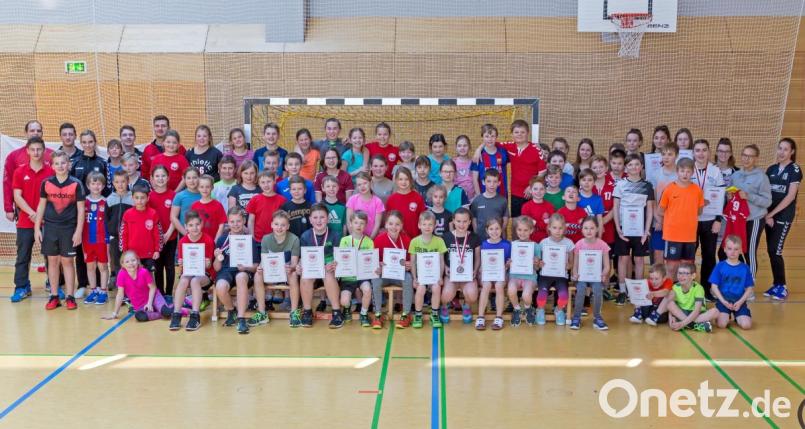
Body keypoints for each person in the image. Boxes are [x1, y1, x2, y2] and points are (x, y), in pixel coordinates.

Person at [35, 150, 85, 311]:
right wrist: (37, 228)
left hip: (69, 229)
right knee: (52, 262)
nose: (60, 166)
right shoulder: (46, 183)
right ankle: (54, 296)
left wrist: (78, 231)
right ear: (52, 165)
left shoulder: (76, 183)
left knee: (68, 262)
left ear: (69, 164)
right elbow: (41, 206)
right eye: (57, 163)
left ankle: (70, 296)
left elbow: (81, 210)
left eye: (63, 163)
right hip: (50, 228)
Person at [10, 136, 54, 302]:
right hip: (25, 222)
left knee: (51, 256)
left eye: (39, 149)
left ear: (44, 151)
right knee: (22, 256)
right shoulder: (19, 171)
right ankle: (21, 287)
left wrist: (41, 216)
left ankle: (53, 285)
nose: (36, 152)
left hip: (47, 222)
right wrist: (33, 214)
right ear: (27, 151)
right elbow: (17, 197)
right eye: (33, 149)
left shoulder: (51, 172)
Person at [612, 154, 654, 304]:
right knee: (623, 258)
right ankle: (623, 291)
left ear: (641, 167)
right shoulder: (620, 185)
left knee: (639, 259)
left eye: (637, 164)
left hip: (640, 230)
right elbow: (615, 208)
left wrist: (646, 230)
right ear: (626, 167)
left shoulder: (647, 186)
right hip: (624, 228)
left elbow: (650, 209)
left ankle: (638, 291)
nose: (634, 167)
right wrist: (618, 228)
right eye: (630, 165)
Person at [764, 138, 800, 300]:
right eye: (780, 148)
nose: (781, 152)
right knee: (771, 250)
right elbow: (764, 194)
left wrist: (771, 215)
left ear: (792, 152)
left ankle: (782, 286)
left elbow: (790, 196)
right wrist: (766, 213)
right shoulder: (771, 169)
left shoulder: (795, 170)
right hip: (769, 216)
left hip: (783, 216)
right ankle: (776, 284)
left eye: (785, 149)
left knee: (775, 250)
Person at [213, 208, 261, 334]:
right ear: (228, 222)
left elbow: (256, 266)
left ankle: (241, 318)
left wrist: (245, 267)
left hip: (244, 272)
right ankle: (231, 310)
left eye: (238, 221)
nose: (235, 224)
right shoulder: (222, 240)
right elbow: (216, 268)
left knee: (240, 278)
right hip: (226, 271)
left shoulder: (250, 240)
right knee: (220, 287)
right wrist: (217, 257)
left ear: (244, 221)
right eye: (232, 221)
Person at [658, 157, 704, 282]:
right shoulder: (669, 189)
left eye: (688, 171)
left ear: (692, 172)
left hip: (689, 236)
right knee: (671, 267)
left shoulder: (697, 190)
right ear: (677, 171)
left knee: (687, 268)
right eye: (682, 171)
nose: (685, 174)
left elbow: (700, 211)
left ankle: (685, 296)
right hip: (672, 235)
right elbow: (660, 210)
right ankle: (669, 294)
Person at [297, 203, 343, 328]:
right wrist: (299, 265)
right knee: (305, 276)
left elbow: (339, 258)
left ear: (328, 219)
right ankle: (307, 312)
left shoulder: (336, 235)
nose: (319, 220)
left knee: (328, 275)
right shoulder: (305, 236)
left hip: (329, 271)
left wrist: (334, 264)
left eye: (322, 217)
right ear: (310, 220)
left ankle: (337, 312)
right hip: (313, 271)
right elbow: (303, 258)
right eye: (315, 217)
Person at [728, 144, 771, 276]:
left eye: (750, 156)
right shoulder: (735, 176)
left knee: (749, 251)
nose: (746, 159)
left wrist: (748, 196)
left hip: (755, 219)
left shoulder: (762, 177)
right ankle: (740, 281)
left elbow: (767, 201)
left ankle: (750, 286)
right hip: (739, 220)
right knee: (738, 250)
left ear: (756, 158)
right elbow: (730, 195)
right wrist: (729, 196)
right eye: (744, 155)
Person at [254, 210, 301, 326]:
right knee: (257, 275)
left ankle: (294, 312)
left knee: (294, 275)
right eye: (276, 224)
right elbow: (263, 261)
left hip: (287, 272)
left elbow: (294, 264)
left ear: (288, 226)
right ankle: (262, 312)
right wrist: (260, 268)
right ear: (271, 225)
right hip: (271, 273)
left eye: (283, 225)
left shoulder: (294, 239)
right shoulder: (265, 239)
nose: (279, 228)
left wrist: (291, 268)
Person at [170, 210, 215, 331]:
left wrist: (207, 262)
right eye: (191, 225)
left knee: (195, 281)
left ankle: (195, 315)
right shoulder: (182, 241)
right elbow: (184, 268)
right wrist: (181, 263)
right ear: (186, 227)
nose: (194, 228)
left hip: (205, 274)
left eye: (197, 224)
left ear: (201, 224)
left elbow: (209, 265)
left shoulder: (208, 240)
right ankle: (176, 314)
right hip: (190, 272)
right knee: (184, 280)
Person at [691, 139, 725, 300]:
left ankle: (707, 288)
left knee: (709, 255)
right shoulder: (687, 170)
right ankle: (689, 288)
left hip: (710, 219)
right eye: (697, 150)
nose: (701, 153)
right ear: (693, 153)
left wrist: (718, 219)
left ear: (709, 152)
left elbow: (721, 197)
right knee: (689, 255)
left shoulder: (715, 171)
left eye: (704, 150)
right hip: (691, 219)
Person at [102, 251, 176, 322]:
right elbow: (120, 294)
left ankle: (175, 309)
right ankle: (162, 313)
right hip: (140, 305)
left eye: (133, 260)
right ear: (123, 264)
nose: (131, 263)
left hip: (154, 297)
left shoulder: (144, 272)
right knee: (140, 316)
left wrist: (149, 303)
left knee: (166, 312)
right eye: (127, 262)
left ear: (138, 261)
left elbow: (153, 288)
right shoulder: (121, 274)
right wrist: (114, 313)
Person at [493, 120, 545, 218]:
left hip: (531, 193)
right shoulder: (510, 146)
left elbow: (542, 172)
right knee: (516, 222)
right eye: (516, 132)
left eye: (522, 132)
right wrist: (478, 150)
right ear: (512, 134)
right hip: (515, 193)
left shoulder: (536, 150)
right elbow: (491, 142)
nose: (519, 135)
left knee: (530, 222)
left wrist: (532, 186)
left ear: (527, 133)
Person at [371, 211, 414, 328]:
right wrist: (378, 266)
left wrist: (409, 265)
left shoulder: (406, 240)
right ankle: (378, 313)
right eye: (391, 223)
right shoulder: (379, 240)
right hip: (384, 274)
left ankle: (406, 314)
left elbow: (411, 261)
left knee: (409, 278)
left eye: (397, 224)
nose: (393, 227)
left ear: (401, 226)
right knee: (375, 279)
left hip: (400, 275)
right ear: (385, 225)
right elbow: (374, 263)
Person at [4, 120, 52, 222]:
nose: (35, 133)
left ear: (42, 133)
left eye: (38, 131)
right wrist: (8, 208)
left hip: (47, 212)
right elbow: (7, 183)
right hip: (23, 211)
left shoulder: (52, 155)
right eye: (32, 130)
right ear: (26, 133)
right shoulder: (14, 156)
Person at [439, 208, 481, 324]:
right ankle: (444, 306)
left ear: (469, 222)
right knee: (447, 294)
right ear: (453, 221)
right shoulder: (446, 237)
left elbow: (478, 258)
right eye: (458, 221)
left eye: (464, 221)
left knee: (472, 295)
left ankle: (466, 306)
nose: (461, 224)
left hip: (468, 275)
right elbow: (441, 257)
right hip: (451, 275)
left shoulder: (475, 238)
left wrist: (475, 270)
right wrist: (446, 269)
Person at [569, 216, 610, 330]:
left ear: (597, 229)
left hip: (596, 276)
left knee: (597, 291)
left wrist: (603, 274)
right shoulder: (579, 244)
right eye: (586, 228)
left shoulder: (602, 245)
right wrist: (575, 274)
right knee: (581, 290)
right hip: (582, 276)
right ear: (582, 230)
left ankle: (597, 317)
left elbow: (607, 266)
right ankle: (576, 317)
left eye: (592, 228)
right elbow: (575, 264)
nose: (589, 231)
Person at [409, 211, 448, 328]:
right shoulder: (414, 241)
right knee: (420, 289)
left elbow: (441, 261)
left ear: (435, 225)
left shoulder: (439, 241)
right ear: (419, 225)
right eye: (424, 224)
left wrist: (440, 277)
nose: (427, 227)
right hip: (421, 276)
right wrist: (415, 278)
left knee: (436, 287)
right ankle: (418, 315)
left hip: (434, 275)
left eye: (430, 224)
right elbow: (412, 262)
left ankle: (434, 314)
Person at [337, 211, 375, 327]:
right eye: (356, 223)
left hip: (363, 276)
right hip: (348, 277)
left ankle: (363, 314)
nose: (359, 226)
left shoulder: (369, 242)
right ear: (350, 224)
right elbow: (341, 258)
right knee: (344, 301)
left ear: (366, 225)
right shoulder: (344, 240)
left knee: (367, 289)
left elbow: (371, 261)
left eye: (362, 223)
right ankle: (347, 308)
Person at [656, 262, 718, 333]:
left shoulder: (698, 288)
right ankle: (695, 325)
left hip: (697, 314)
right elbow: (671, 306)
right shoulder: (675, 287)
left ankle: (687, 324)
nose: (681, 276)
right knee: (669, 304)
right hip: (681, 312)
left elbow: (697, 310)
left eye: (685, 273)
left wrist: (682, 324)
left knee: (715, 312)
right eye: (679, 273)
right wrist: (671, 317)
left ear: (693, 276)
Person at [536, 213, 574, 325]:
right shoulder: (543, 243)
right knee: (542, 297)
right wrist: (539, 263)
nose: (557, 231)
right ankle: (540, 310)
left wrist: (569, 265)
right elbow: (538, 261)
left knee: (564, 296)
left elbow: (572, 262)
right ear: (549, 228)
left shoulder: (568, 243)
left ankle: (559, 310)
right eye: (554, 228)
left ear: (564, 228)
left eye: (560, 228)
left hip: (561, 276)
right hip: (545, 275)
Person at [710, 235, 754, 330]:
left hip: (739, 301)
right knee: (721, 325)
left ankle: (739, 316)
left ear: (740, 250)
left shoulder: (745, 268)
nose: (733, 252)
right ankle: (725, 315)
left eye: (736, 249)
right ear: (725, 249)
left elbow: (749, 288)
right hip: (723, 301)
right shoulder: (720, 266)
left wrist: (740, 302)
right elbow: (714, 287)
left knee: (747, 326)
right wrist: (724, 301)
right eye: (730, 249)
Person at [146, 165, 176, 297]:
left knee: (169, 266)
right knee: (157, 267)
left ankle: (169, 293)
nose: (160, 178)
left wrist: (169, 232)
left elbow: (175, 216)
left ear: (168, 177)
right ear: (152, 179)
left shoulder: (174, 195)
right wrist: (156, 236)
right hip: (154, 239)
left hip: (171, 236)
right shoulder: (149, 197)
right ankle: (160, 293)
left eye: (163, 175)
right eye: (157, 176)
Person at [81, 172, 110, 305]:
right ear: (88, 185)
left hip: (102, 240)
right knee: (90, 266)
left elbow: (108, 222)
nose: (96, 186)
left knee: (103, 266)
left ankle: (103, 291)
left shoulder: (106, 202)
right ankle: (93, 291)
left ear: (103, 186)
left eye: (99, 183)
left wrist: (108, 240)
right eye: (93, 183)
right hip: (87, 240)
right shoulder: (83, 202)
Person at [476, 218, 510, 331]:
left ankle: (499, 317)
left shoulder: (507, 245)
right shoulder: (483, 244)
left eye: (497, 228)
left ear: (501, 229)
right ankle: (480, 317)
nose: (494, 231)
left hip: (501, 273)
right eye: (491, 229)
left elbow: (509, 261)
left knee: (499, 285)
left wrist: (508, 264)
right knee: (486, 286)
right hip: (487, 274)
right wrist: (480, 268)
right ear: (486, 230)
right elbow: (480, 261)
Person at [507, 216, 541, 326]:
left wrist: (536, 263)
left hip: (530, 277)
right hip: (515, 276)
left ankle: (528, 308)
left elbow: (537, 268)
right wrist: (508, 263)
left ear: (531, 230)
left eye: (526, 230)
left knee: (526, 295)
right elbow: (508, 264)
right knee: (511, 290)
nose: (522, 233)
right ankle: (517, 309)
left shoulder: (535, 246)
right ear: (516, 230)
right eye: (519, 230)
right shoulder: (512, 245)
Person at [648, 143, 679, 265]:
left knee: (673, 257)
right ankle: (659, 283)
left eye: (670, 154)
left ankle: (672, 282)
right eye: (664, 154)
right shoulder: (655, 175)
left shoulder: (679, 175)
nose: (666, 157)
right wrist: (659, 220)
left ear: (676, 156)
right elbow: (653, 201)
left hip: (674, 222)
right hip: (659, 221)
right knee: (658, 254)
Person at [120, 185, 163, 273]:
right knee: (133, 275)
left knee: (149, 277)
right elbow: (123, 234)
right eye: (137, 198)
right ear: (132, 198)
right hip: (132, 254)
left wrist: (157, 250)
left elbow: (158, 234)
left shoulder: (153, 213)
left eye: (142, 198)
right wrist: (124, 251)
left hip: (149, 253)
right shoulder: (127, 214)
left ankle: (152, 288)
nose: (139, 201)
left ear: (148, 198)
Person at [385, 167, 426, 240]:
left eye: (406, 179)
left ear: (411, 180)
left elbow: (422, 219)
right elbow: (388, 221)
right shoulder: (391, 199)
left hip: (414, 239)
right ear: (396, 181)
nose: (403, 182)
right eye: (401, 179)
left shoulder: (417, 198)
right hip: (396, 239)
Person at [246, 171, 285, 243]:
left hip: (276, 240)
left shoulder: (282, 200)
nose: (266, 185)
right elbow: (251, 220)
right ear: (259, 184)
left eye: (268, 181)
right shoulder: (255, 199)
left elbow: (284, 221)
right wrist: (252, 237)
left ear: (274, 181)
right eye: (263, 182)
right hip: (258, 240)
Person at [470, 169, 509, 242]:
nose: (492, 184)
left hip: (497, 238)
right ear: (483, 182)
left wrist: (500, 232)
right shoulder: (477, 200)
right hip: (481, 239)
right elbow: (474, 219)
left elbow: (505, 219)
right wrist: (476, 234)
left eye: (495, 181)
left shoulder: (503, 200)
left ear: (499, 183)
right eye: (489, 181)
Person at [346, 172, 385, 238]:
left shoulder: (378, 202)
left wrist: (370, 239)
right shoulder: (352, 200)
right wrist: (354, 238)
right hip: (355, 238)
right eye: (359, 184)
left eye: (365, 183)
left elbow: (377, 224)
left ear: (370, 183)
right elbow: (349, 221)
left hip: (371, 238)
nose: (362, 187)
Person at [190, 175, 226, 241]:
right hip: (198, 241)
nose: (204, 189)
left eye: (207, 187)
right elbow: (191, 224)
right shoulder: (194, 205)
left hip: (213, 240)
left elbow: (222, 224)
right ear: (198, 188)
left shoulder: (218, 205)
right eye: (202, 187)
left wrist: (216, 240)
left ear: (212, 187)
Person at [521, 177, 555, 243]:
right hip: (530, 241)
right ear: (530, 190)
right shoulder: (526, 207)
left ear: (545, 190)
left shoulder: (550, 206)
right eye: (535, 189)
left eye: (541, 189)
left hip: (547, 241)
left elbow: (550, 227)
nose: (538, 192)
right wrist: (544, 223)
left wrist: (535, 222)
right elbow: (527, 226)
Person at [453, 135, 479, 199]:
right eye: (459, 146)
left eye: (465, 145)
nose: (462, 148)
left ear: (469, 147)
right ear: (456, 148)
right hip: (457, 199)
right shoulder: (452, 163)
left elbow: (476, 181)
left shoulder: (474, 162)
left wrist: (477, 196)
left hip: (472, 199)